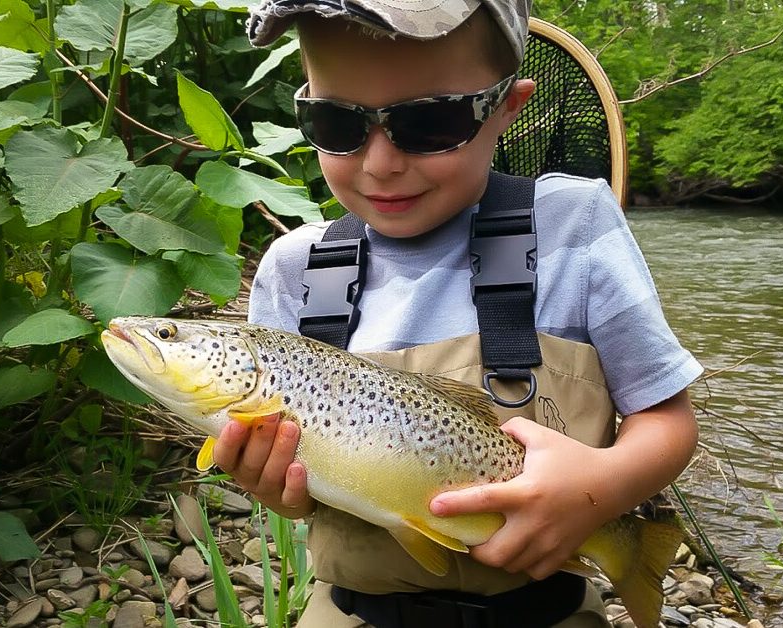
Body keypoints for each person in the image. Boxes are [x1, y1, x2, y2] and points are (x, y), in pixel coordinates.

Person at [211, 1, 703, 626]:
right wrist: (274, 487)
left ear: (508, 108)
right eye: (338, 124)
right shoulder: (293, 270)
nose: (381, 162)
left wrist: (600, 488)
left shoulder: (574, 226)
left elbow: (666, 419)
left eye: (429, 123)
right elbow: (299, 498)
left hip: (544, 609)